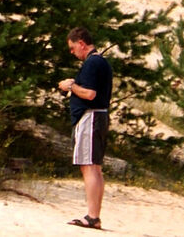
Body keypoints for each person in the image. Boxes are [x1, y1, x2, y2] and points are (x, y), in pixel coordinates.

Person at [58, 26, 112, 229]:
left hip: (90, 118)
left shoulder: (92, 63)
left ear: (81, 43)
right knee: (94, 167)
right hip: (97, 117)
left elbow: (89, 94)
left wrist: (70, 86)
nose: (72, 52)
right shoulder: (100, 62)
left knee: (89, 167)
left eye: (73, 48)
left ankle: (92, 216)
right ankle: (94, 215)